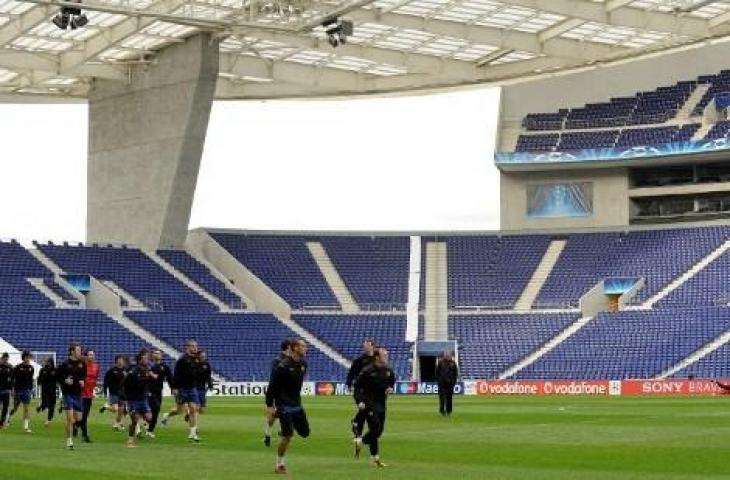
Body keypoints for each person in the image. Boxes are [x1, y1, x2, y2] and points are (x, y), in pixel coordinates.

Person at [265, 338, 310, 474]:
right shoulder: (282, 366)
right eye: (303, 346)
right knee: (288, 436)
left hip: (297, 404)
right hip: (283, 405)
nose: (305, 348)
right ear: (294, 348)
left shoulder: (304, 364)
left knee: (305, 433)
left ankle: (287, 427)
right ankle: (279, 464)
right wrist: (270, 405)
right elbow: (272, 386)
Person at [353, 347, 395, 468]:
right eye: (384, 355)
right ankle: (373, 456)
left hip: (381, 404)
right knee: (375, 427)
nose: (386, 357)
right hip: (368, 403)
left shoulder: (388, 370)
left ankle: (366, 448)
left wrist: (390, 388)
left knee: (378, 431)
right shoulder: (367, 371)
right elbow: (357, 388)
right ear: (377, 357)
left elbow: (392, 382)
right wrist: (359, 401)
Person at [163, 340, 201, 442]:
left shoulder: (196, 359)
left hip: (192, 388)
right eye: (193, 346)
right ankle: (167, 415)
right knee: (180, 410)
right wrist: (174, 388)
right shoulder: (182, 360)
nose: (195, 348)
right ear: (187, 347)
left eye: (196, 346)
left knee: (193, 408)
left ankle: (192, 433)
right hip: (182, 388)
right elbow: (176, 374)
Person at [123, 349, 156, 448]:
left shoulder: (147, 369)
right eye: (145, 357)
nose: (147, 359)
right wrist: (126, 398)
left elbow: (148, 381)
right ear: (140, 358)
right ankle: (130, 441)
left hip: (143, 399)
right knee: (134, 420)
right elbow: (125, 384)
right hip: (133, 399)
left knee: (150, 418)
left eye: (147, 357)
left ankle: (139, 415)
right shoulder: (134, 371)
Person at [56, 342, 87, 450]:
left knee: (78, 418)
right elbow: (57, 376)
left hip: (78, 394)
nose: (80, 352)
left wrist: (83, 381)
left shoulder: (82, 364)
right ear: (72, 351)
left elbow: (84, 375)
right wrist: (65, 380)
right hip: (67, 394)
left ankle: (72, 427)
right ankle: (69, 441)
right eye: (78, 350)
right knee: (69, 419)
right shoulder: (65, 364)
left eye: (80, 350)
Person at [346, 339, 376, 440]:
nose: (366, 347)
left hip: (372, 391)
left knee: (364, 411)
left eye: (368, 345)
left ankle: (356, 427)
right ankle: (357, 429)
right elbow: (351, 373)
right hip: (361, 390)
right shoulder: (359, 360)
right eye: (364, 346)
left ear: (373, 346)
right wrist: (349, 385)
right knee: (364, 408)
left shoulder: (377, 359)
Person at [264, 339, 290, 447]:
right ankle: (267, 433)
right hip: (277, 392)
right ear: (288, 347)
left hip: (287, 393)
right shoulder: (277, 360)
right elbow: (274, 378)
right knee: (273, 416)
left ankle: (282, 432)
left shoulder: (291, 360)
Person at [74, 349, 100, 442]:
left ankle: (75, 425)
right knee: (83, 416)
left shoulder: (97, 366)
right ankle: (85, 436)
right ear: (85, 356)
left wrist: (93, 390)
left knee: (85, 415)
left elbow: (95, 379)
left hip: (89, 394)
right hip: (81, 394)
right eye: (89, 355)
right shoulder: (81, 366)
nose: (91, 356)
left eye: (93, 355)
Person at [147, 349, 172, 438]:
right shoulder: (147, 365)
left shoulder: (165, 367)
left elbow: (170, 378)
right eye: (155, 353)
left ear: (161, 356)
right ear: (152, 355)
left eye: (158, 353)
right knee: (148, 409)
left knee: (156, 411)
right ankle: (144, 426)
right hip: (147, 391)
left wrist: (173, 388)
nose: (156, 355)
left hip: (158, 391)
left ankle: (150, 430)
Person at [9, 350, 35, 433]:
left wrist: (31, 389)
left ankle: (26, 426)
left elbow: (31, 380)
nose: (28, 358)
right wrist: (12, 389)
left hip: (26, 390)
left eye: (29, 357)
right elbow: (12, 379)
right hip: (17, 390)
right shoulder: (17, 367)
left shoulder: (31, 368)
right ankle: (8, 417)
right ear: (23, 358)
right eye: (27, 357)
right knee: (15, 407)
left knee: (26, 408)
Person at [100, 355, 128, 430]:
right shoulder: (111, 370)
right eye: (119, 360)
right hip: (113, 392)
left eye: (122, 360)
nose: (120, 361)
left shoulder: (126, 370)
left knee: (121, 410)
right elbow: (106, 381)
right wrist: (105, 390)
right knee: (115, 409)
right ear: (116, 361)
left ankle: (116, 424)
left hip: (123, 393)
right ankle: (106, 406)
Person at [36, 357, 58, 427]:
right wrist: (39, 382)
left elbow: (58, 378)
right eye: (46, 361)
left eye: (48, 361)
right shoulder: (42, 370)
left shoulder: (55, 370)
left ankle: (49, 420)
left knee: (52, 405)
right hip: (44, 389)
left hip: (52, 390)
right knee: (45, 403)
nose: (46, 363)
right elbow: (39, 378)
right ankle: (41, 406)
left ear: (51, 362)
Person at [436, 350, 458, 416]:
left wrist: (453, 382)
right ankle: (442, 411)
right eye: (446, 355)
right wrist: (439, 382)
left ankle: (449, 411)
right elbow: (437, 373)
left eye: (449, 355)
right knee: (442, 398)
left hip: (450, 384)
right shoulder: (440, 362)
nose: (448, 356)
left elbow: (455, 373)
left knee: (449, 398)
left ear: (451, 355)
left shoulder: (453, 363)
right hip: (442, 384)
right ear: (444, 355)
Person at [195, 350, 213, 417]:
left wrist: (210, 385)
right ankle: (192, 420)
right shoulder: (194, 364)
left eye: (205, 356)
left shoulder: (207, 365)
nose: (204, 357)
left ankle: (190, 414)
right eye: (202, 356)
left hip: (202, 387)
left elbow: (208, 376)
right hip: (194, 387)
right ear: (199, 356)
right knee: (196, 406)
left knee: (202, 409)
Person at [0, 353, 11, 429]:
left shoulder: (9, 367)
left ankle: (2, 422)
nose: (5, 360)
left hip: (6, 390)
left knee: (5, 407)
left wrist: (11, 389)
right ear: (2, 358)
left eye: (7, 359)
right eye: (4, 359)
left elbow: (12, 379)